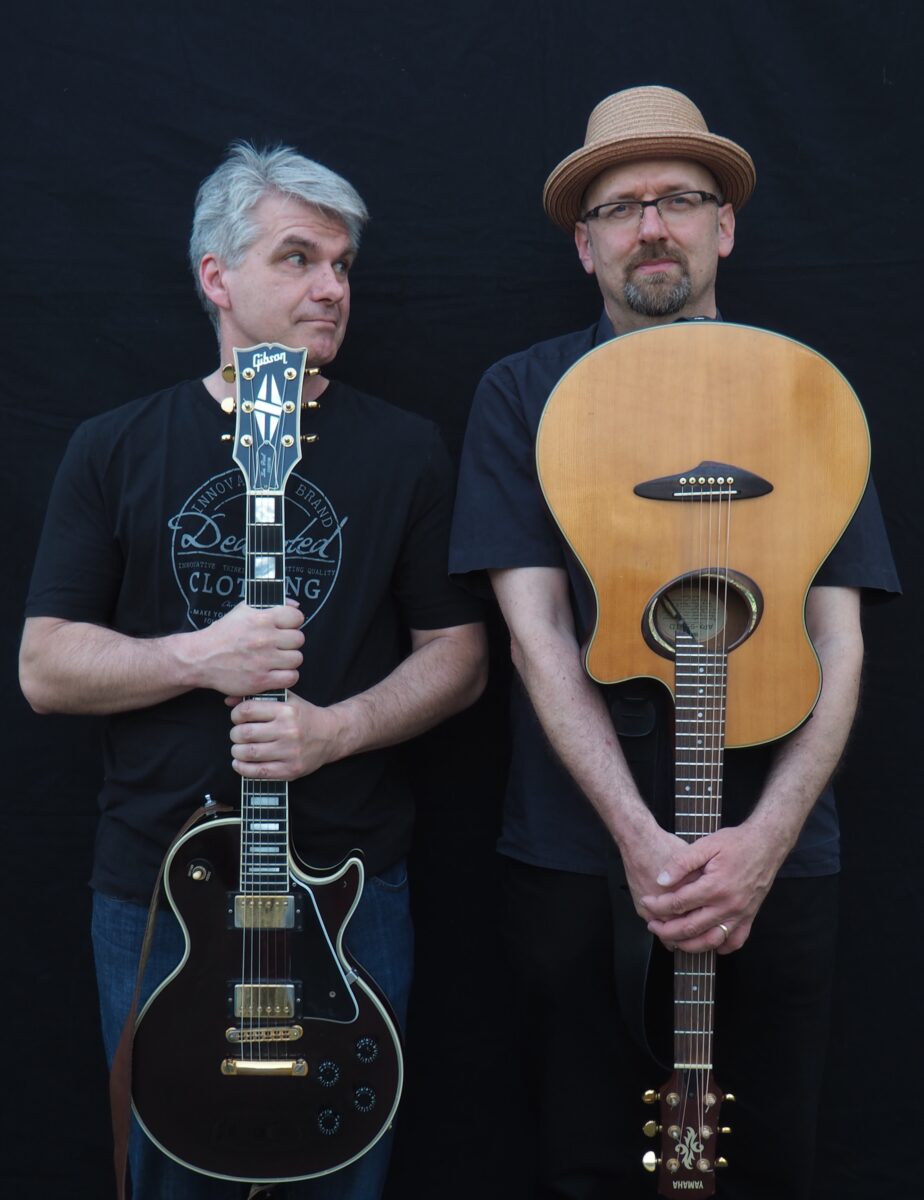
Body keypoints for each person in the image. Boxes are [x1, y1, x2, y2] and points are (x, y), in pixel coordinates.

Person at [449, 86, 899, 1198]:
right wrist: (638, 838)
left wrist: (764, 844)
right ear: (585, 243)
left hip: (776, 854)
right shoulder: (522, 394)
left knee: (773, 1166)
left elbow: (840, 645)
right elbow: (535, 635)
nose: (652, 227)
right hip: (578, 850)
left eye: (680, 200)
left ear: (724, 226)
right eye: (621, 207)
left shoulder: (806, 394)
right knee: (587, 1162)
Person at [19, 141, 487, 1200]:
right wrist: (201, 657)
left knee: (342, 1169)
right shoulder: (114, 448)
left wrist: (336, 731)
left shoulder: (404, 451)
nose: (332, 288)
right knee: (169, 1171)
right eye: (298, 258)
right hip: (159, 891)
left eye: (343, 265)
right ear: (216, 277)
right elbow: (44, 668)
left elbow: (459, 656)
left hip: (347, 887)